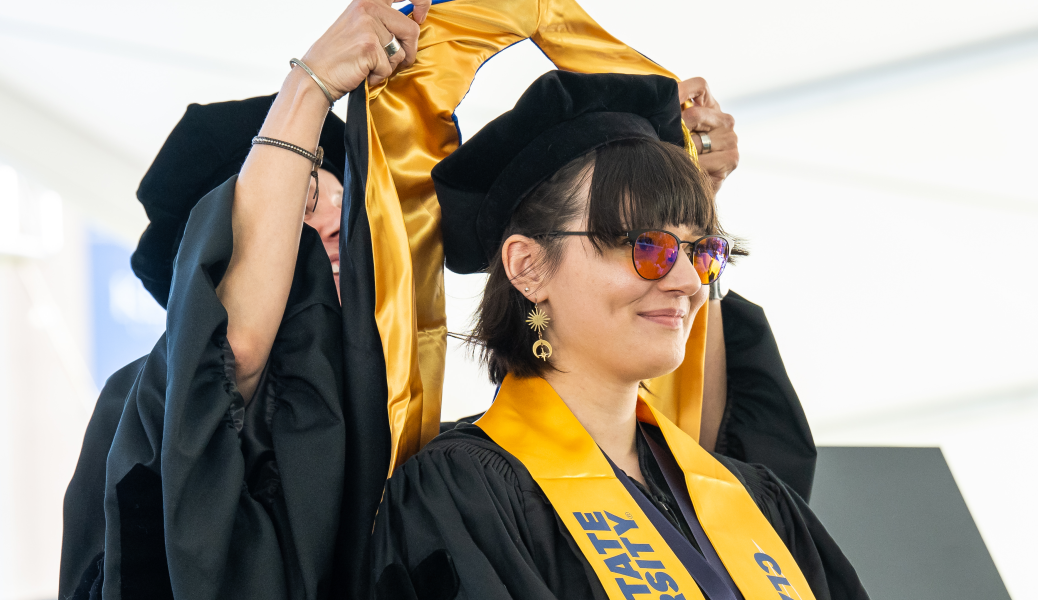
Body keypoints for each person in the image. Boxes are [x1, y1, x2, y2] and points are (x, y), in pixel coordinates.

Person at [59, 0, 832, 598]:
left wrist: (687, 205)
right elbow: (230, 366)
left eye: (336, 192)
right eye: (295, 201)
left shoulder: (724, 489)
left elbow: (705, 426)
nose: (332, 219)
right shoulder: (451, 482)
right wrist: (310, 89)